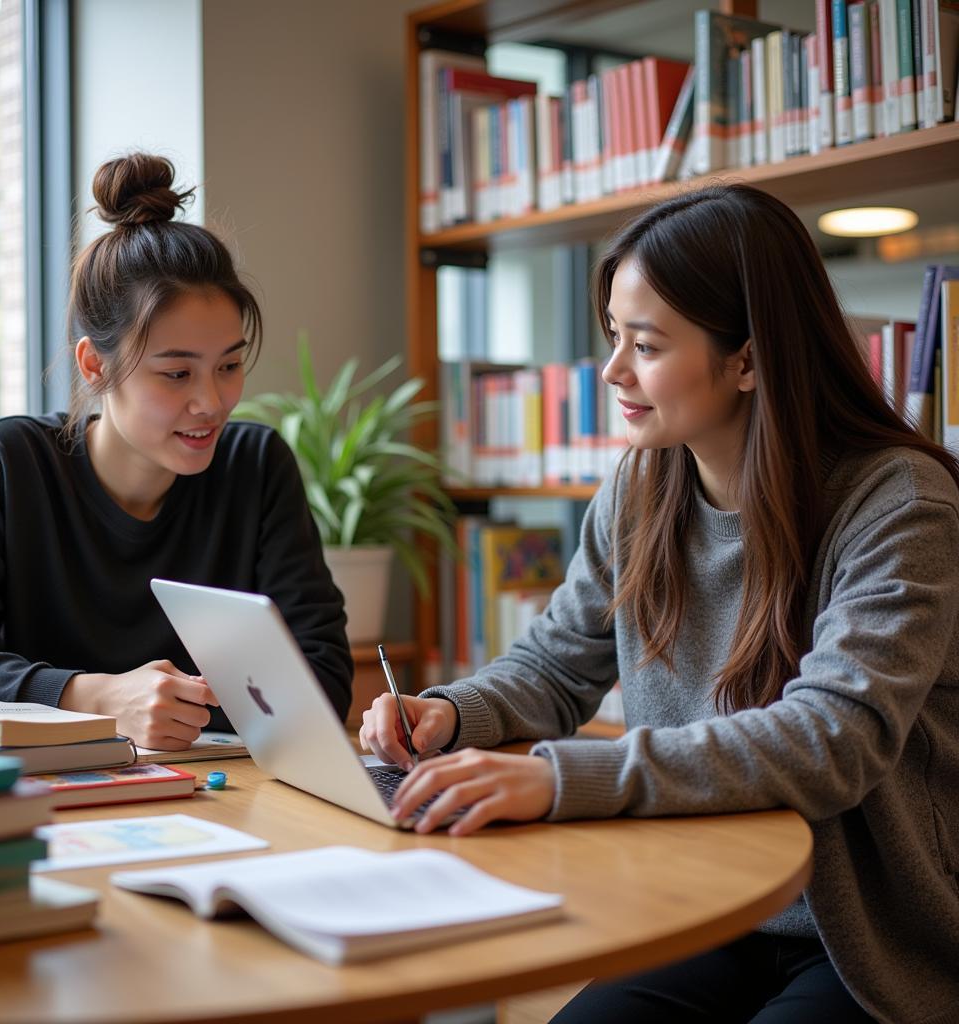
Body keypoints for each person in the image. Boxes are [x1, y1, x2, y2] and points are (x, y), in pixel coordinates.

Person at [360, 184, 959, 1024]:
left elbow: (833, 740)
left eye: (644, 344)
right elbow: (555, 666)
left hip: (868, 937)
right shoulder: (641, 488)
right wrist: (449, 715)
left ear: (747, 360)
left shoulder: (900, 504)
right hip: (706, 901)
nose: (612, 371)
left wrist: (553, 777)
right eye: (614, 337)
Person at [0, 152, 353, 750]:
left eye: (230, 365)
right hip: (39, 797)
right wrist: (95, 697)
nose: (211, 402)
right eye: (177, 374)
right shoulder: (7, 464)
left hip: (216, 795)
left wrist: (178, 716)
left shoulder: (254, 466)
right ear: (94, 366)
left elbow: (324, 680)